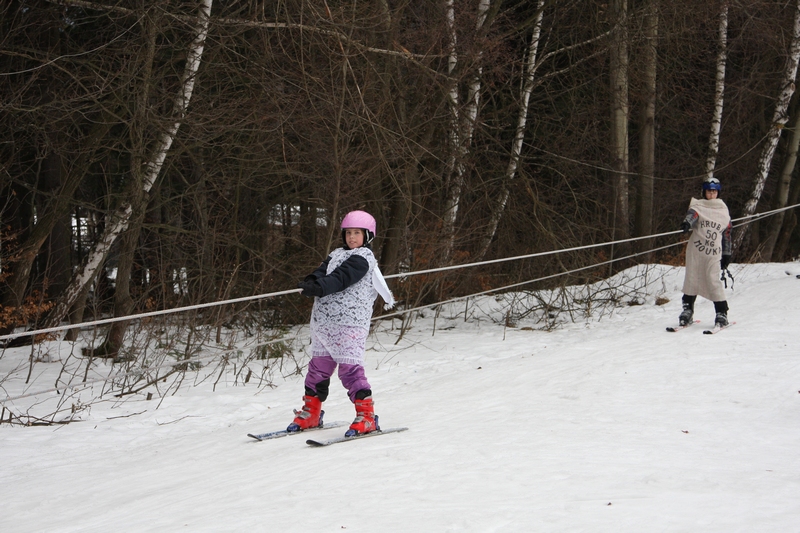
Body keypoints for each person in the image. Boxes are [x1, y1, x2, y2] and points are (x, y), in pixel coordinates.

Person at [287, 210, 395, 437]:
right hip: (325, 324)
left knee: (350, 370)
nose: (352, 237)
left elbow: (342, 278)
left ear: (368, 236)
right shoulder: (336, 254)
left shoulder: (363, 259)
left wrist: (321, 287)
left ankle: (366, 417)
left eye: (357, 233)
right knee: (317, 369)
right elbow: (323, 271)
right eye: (348, 233)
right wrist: (311, 281)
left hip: (349, 325)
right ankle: (312, 412)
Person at [678, 176, 732, 327]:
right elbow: (692, 216)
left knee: (713, 280)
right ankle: (687, 310)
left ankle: (722, 312)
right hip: (696, 251)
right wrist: (687, 224)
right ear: (704, 192)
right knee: (692, 278)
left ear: (718, 193)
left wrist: (727, 253)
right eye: (709, 191)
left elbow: (727, 233)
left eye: (714, 192)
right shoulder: (698, 206)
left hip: (714, 252)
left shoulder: (723, 210)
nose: (712, 194)